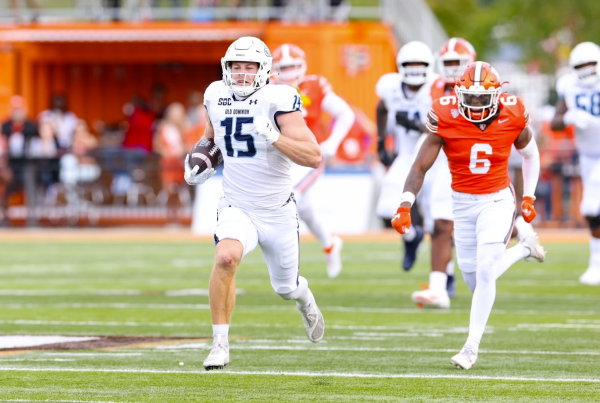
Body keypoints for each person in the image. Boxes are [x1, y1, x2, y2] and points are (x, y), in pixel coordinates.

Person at [391, 62, 546, 369]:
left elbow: (531, 155)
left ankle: (470, 347)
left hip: (497, 199)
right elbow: (420, 165)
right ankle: (525, 249)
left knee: (487, 271)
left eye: (482, 98)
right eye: (470, 97)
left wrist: (529, 196)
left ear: (497, 96)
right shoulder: (445, 114)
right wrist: (405, 204)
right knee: (474, 280)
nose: (476, 104)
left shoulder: (513, 112)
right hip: (461, 203)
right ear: (459, 93)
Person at [184, 36, 324, 371]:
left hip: (277, 210)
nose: (242, 73)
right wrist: (200, 161)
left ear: (263, 70)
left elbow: (314, 156)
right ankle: (220, 344)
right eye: (236, 66)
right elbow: (211, 136)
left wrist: (274, 136)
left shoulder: (279, 99)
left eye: (250, 67)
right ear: (226, 68)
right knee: (225, 258)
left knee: (286, 288)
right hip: (237, 205)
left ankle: (304, 298)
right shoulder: (216, 94)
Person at [272, 43, 355, 278]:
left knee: (291, 197)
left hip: (307, 157)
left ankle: (286, 263)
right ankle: (330, 243)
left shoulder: (315, 85)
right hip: (280, 156)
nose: (288, 72)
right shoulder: (267, 89)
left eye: (293, 66)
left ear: (303, 66)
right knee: (305, 210)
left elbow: (345, 113)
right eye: (283, 67)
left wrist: (332, 143)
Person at [410, 37, 477, 308]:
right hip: (444, 159)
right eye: (447, 63)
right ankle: (439, 284)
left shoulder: (483, 83)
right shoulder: (434, 86)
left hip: (474, 160)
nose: (451, 68)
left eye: (456, 62)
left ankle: (521, 238)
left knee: (473, 232)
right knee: (439, 222)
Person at [375, 41, 435, 271]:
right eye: (410, 64)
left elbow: (447, 127)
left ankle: (444, 276)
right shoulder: (390, 87)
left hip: (436, 158)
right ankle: (412, 238)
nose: (415, 68)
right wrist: (381, 142)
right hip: (407, 155)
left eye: (419, 64)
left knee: (437, 218)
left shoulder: (436, 87)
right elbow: (381, 108)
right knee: (386, 208)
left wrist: (417, 125)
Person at [551, 42, 600, 286]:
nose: (587, 70)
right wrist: (569, 116)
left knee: (592, 206)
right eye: (581, 66)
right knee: (593, 211)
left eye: (591, 64)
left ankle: (596, 263)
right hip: (588, 155)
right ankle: (596, 262)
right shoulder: (569, 86)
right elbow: (555, 122)